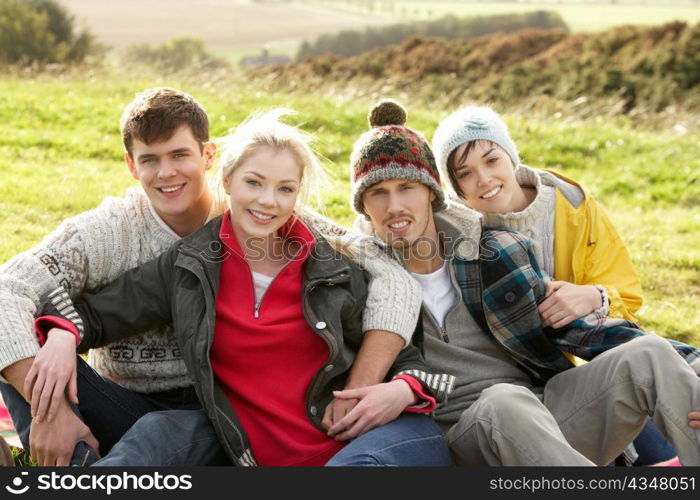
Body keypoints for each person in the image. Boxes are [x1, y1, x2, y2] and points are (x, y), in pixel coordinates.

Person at [0, 88, 427, 466]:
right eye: (150, 159)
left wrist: (371, 385)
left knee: (163, 436)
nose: (167, 173)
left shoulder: (292, 231)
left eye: (179, 155)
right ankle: (68, 463)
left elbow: (385, 269)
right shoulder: (137, 242)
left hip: (215, 412)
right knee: (25, 346)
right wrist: (56, 358)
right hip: (130, 400)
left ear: (208, 157)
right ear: (132, 165)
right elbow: (27, 296)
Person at [336, 98, 700, 466]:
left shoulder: (494, 253)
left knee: (648, 354)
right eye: (377, 193)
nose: (394, 206)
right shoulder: (363, 282)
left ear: (432, 192)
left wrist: (693, 362)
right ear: (362, 207)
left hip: (550, 415)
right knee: (504, 402)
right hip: (469, 435)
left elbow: (580, 331)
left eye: (406, 188)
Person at [431, 105, 675, 464]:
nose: (484, 179)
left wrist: (595, 296)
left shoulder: (571, 205)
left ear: (510, 157)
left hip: (581, 363)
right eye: (465, 173)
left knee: (662, 419)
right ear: (453, 187)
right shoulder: (453, 231)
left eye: (492, 160)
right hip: (510, 389)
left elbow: (626, 295)